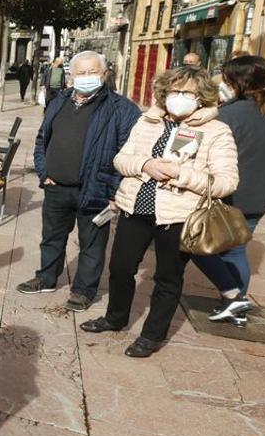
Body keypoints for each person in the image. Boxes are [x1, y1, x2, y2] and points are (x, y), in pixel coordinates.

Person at [79, 66, 239, 358]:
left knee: (167, 277)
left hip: (178, 216)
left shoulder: (216, 131)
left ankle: (152, 335)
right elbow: (120, 159)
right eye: (174, 91)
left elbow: (226, 182)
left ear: (201, 96)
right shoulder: (147, 121)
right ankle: (115, 318)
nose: (179, 97)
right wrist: (144, 165)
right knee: (120, 268)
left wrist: (181, 174)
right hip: (135, 207)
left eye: (187, 92)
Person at [20, 51, 140, 312]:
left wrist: (113, 191)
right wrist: (44, 172)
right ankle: (46, 278)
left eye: (93, 72)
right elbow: (42, 140)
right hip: (56, 187)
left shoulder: (121, 109)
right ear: (71, 76)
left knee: (92, 245)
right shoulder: (59, 101)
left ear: (105, 74)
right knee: (51, 237)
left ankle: (83, 291)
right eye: (81, 73)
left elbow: (127, 153)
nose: (87, 78)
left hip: (96, 191)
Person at [190, 56, 265, 321]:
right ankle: (234, 306)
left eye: (226, 80)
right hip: (261, 196)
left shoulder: (229, 115)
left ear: (238, 82)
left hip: (230, 195)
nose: (223, 84)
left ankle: (233, 296)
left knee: (194, 245)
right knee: (236, 250)